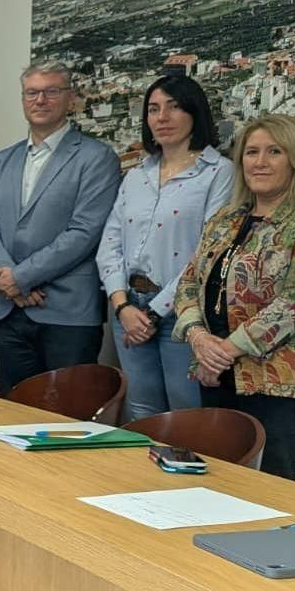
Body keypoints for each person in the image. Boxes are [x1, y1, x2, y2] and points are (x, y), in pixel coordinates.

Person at [172, 115, 295, 481]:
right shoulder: (226, 218)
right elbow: (188, 283)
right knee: (217, 487)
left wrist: (223, 352)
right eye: (251, 152)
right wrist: (199, 338)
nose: (260, 162)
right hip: (218, 374)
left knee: (279, 495)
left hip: (281, 383)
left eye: (274, 151)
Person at [96, 75, 235, 420]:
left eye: (174, 107)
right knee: (140, 412)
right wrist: (123, 305)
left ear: (195, 113)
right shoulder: (136, 175)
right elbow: (109, 243)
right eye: (154, 109)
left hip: (183, 314)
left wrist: (155, 312)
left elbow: (207, 253)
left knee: (186, 414)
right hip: (128, 310)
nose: (162, 117)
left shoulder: (219, 172)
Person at [0, 61, 121, 394]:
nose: (40, 100)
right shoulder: (5, 159)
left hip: (67, 314)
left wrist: (20, 278)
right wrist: (10, 280)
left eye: (51, 91)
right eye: (32, 93)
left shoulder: (96, 158)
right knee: (12, 413)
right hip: (9, 311)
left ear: (70, 99)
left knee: (66, 422)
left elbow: (84, 232)